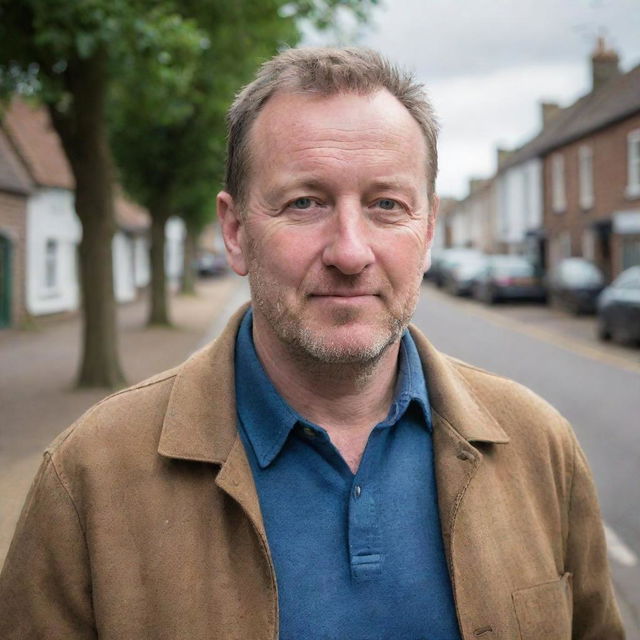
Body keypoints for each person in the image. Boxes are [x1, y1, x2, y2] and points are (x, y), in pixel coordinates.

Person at [0, 47, 624, 639]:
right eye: (305, 203)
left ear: (429, 231)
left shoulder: (541, 448)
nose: (350, 252)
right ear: (236, 230)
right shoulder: (91, 475)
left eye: (385, 204)